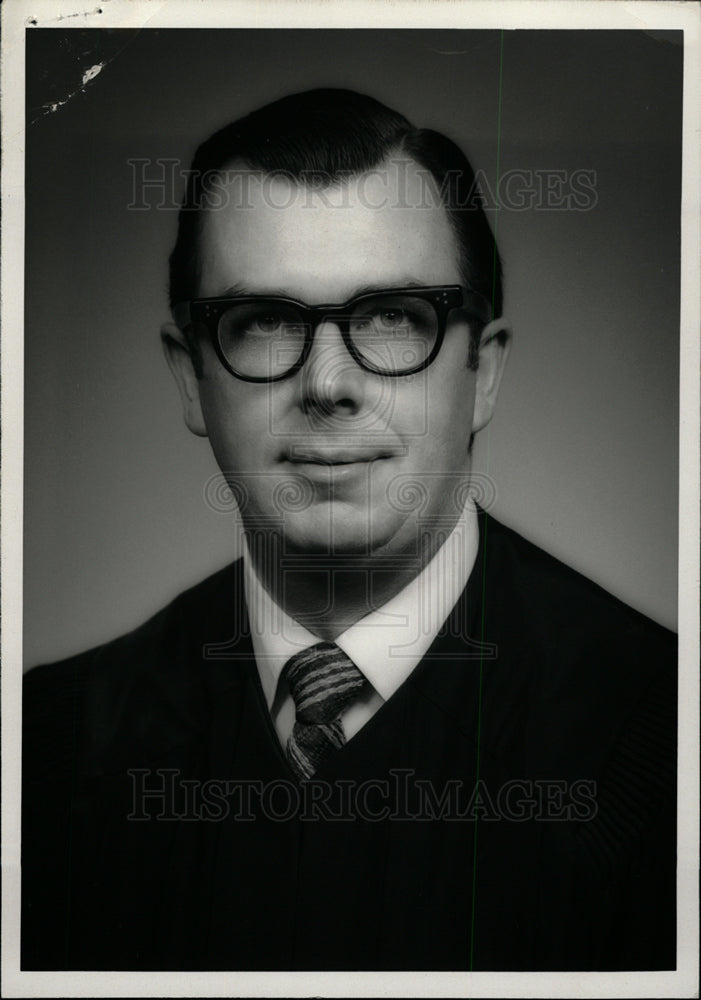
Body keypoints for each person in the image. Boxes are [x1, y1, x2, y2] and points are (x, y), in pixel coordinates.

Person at [22, 88, 677, 972]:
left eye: (390, 317)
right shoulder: (45, 751)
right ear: (189, 379)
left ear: (481, 368)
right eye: (263, 324)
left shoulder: (667, 741)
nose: (328, 384)